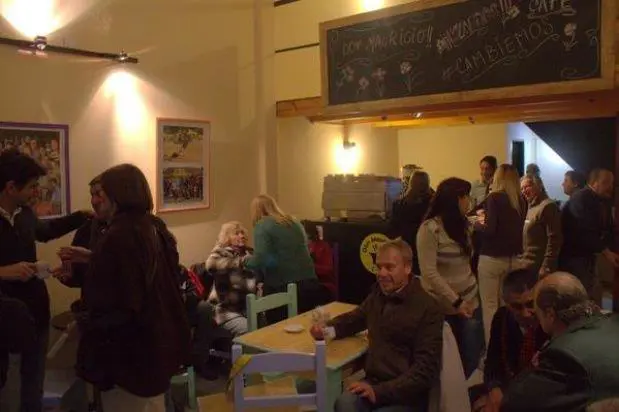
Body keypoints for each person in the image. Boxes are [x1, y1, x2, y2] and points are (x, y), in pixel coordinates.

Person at [58, 164, 191, 412]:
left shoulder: (119, 235)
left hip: (129, 352)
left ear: (118, 194)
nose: (97, 200)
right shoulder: (150, 228)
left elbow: (118, 302)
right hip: (156, 343)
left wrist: (86, 321)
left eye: (103, 192)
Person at [0, 149, 89, 412]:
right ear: (11, 187)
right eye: (31, 186)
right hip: (5, 318)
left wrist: (81, 217)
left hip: (35, 312)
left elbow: (46, 231)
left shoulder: (25, 213)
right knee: (8, 389)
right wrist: (4, 272)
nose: (36, 192)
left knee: (34, 383)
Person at [310, 239, 443, 412]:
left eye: (389, 267)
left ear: (407, 268)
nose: (381, 273)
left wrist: (379, 392)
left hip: (407, 395)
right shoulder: (378, 295)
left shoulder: (428, 308)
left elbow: (424, 371)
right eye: (379, 267)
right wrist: (326, 330)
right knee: (344, 404)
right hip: (374, 381)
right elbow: (356, 318)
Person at [502, 273, 619, 411]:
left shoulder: (562, 355)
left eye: (534, 308)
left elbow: (515, 400)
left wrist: (533, 367)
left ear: (549, 314)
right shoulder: (614, 322)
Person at [417, 177, 484, 378]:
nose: (469, 201)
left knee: (471, 357)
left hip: (470, 301)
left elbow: (468, 262)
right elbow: (429, 272)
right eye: (466, 196)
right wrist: (456, 301)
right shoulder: (430, 229)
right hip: (444, 306)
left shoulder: (464, 225)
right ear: (456, 199)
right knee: (448, 364)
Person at [471, 268, 547, 412]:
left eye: (530, 304)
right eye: (517, 306)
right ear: (506, 303)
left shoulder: (550, 323)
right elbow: (493, 362)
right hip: (509, 385)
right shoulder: (502, 318)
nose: (525, 313)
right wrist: (494, 388)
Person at [245, 195, 329, 322]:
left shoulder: (262, 225)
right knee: (306, 326)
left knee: (278, 328)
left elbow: (260, 258)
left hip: (282, 285)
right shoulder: (294, 221)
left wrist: (245, 260)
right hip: (309, 281)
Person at [476, 164, 526, 344]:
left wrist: (475, 224)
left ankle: (493, 348)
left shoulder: (494, 198)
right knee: (508, 307)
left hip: (491, 258)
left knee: (490, 307)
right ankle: (509, 345)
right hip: (513, 259)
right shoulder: (521, 200)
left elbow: (490, 230)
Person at [560, 168, 619, 300]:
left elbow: (608, 228)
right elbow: (584, 231)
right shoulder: (582, 198)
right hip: (575, 259)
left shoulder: (600, 200)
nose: (610, 187)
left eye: (611, 183)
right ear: (594, 182)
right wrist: (607, 252)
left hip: (586, 258)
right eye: (606, 182)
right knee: (581, 296)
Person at [206, 221, 257, 336]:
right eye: (237, 233)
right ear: (227, 237)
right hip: (226, 311)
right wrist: (240, 262)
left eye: (242, 233)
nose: (241, 236)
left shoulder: (249, 252)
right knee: (250, 330)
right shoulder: (221, 252)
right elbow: (210, 265)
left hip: (249, 308)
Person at [390, 170, 433, 275]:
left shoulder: (399, 204)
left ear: (411, 183)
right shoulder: (432, 205)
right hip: (427, 248)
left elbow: (393, 231)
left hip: (406, 249)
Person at [520, 174, 562, 276]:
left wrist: (546, 266)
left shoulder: (548, 206)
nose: (524, 191)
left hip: (539, 268)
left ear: (538, 185)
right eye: (522, 189)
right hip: (527, 266)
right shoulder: (530, 207)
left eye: (527, 187)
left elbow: (554, 239)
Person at [306, 224, 337, 300]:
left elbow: (328, 269)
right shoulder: (302, 247)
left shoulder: (323, 246)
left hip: (323, 284)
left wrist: (311, 267)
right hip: (307, 282)